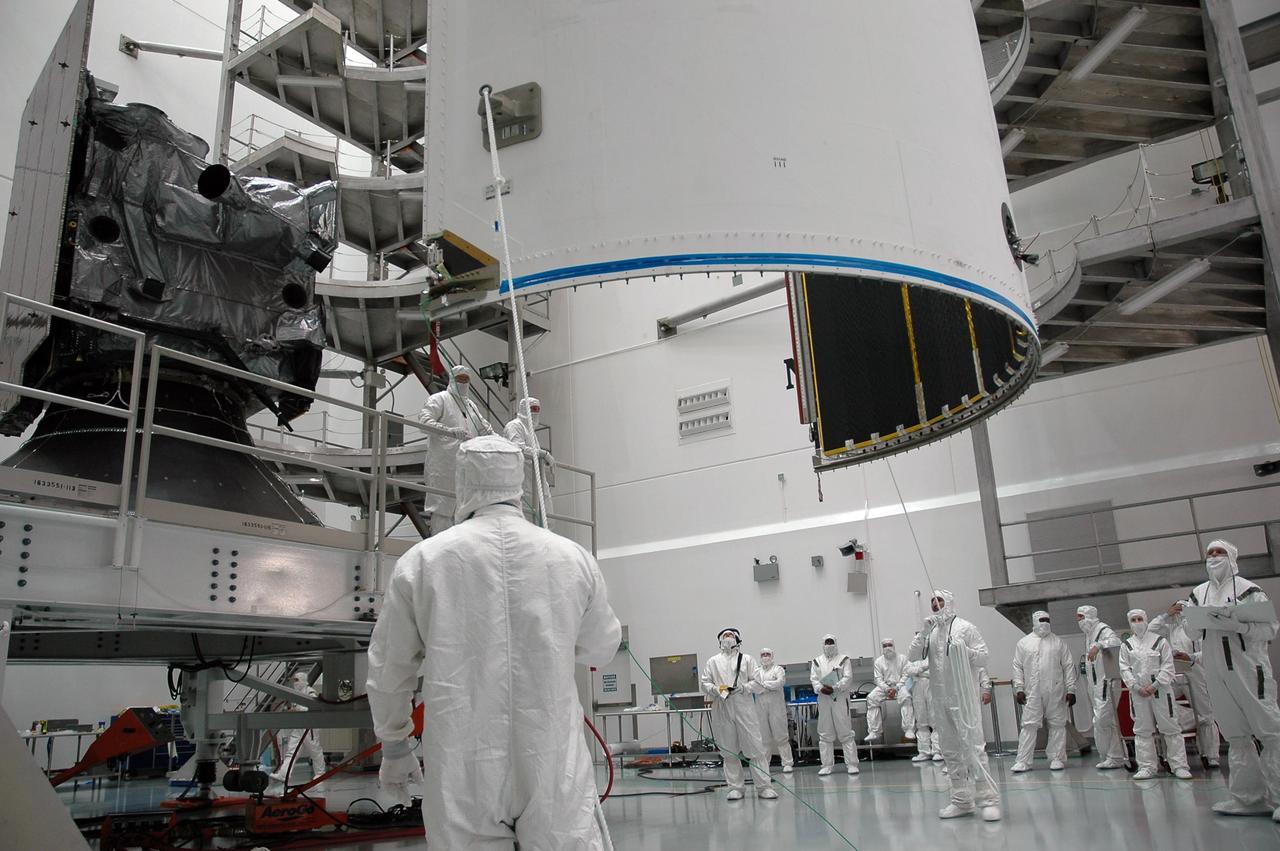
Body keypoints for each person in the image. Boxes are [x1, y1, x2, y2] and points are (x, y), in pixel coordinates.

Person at [366, 435, 622, 850]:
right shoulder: (571, 557)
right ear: (519, 481)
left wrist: (395, 743)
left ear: (462, 481)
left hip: (463, 763)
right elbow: (601, 648)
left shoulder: (424, 561)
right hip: (551, 757)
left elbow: (388, 667)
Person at [1185, 539, 1280, 819]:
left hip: (1249, 669)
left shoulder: (1250, 590)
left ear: (1232, 557)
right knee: (1236, 734)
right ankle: (1247, 798)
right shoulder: (1199, 593)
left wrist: (1240, 625)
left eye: (1220, 552)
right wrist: (1192, 620)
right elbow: (1192, 633)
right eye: (1210, 553)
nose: (1214, 557)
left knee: (1268, 730)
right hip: (1216, 672)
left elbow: (1270, 630)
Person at [909, 590, 1000, 821]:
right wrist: (923, 632)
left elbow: (984, 658)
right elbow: (913, 657)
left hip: (964, 699)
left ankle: (988, 800)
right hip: (940, 700)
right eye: (932, 602)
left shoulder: (966, 628)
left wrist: (963, 650)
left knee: (973, 747)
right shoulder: (931, 633)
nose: (935, 604)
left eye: (939, 600)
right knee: (950, 750)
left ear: (949, 602)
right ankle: (961, 800)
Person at [700, 630, 778, 800]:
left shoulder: (747, 660)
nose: (728, 637)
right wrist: (717, 690)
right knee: (729, 750)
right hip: (722, 708)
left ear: (737, 639)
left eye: (731, 635)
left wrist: (743, 688)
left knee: (755, 748)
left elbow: (758, 684)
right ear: (720, 641)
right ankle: (735, 788)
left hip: (745, 708)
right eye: (725, 635)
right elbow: (704, 683)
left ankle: (764, 787)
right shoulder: (713, 662)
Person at [418, 364, 494, 534]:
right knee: (443, 514)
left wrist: (503, 444)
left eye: (466, 380)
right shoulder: (440, 399)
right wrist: (449, 431)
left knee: (466, 517)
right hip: (444, 469)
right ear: (452, 379)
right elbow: (424, 422)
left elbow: (485, 429)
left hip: (467, 469)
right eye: (460, 379)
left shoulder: (471, 406)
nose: (463, 383)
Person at [1119, 608, 1192, 780]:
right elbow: (1124, 668)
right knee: (1142, 730)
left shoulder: (1160, 641)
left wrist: (1155, 685)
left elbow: (1168, 666)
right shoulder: (1126, 645)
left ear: (1146, 620)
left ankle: (1179, 766)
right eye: (1133, 620)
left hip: (1161, 691)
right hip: (1138, 693)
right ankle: (1146, 767)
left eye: (1140, 619)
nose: (1137, 623)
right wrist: (1136, 687)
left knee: (1171, 727)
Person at [1151, 600, 1220, 768]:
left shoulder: (1198, 629)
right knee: (1161, 704)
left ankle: (1211, 755)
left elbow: (1209, 651)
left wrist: (1191, 657)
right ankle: (1187, 723)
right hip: (1173, 673)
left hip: (1195, 671)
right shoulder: (1168, 628)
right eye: (1177, 608)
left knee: (1206, 714)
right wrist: (1166, 615)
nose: (1180, 611)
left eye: (1183, 608)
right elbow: (1149, 630)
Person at [1011, 610, 1077, 773]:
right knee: (1029, 724)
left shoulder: (1058, 642)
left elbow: (1068, 666)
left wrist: (1071, 689)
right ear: (1034, 621)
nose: (1045, 623)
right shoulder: (1024, 643)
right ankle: (1023, 761)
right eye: (1041, 620)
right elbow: (1017, 666)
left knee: (1057, 724)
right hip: (1032, 691)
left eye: (1047, 620)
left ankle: (1057, 758)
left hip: (1055, 690)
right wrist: (1019, 688)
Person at [1077, 605, 1127, 769]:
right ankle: (1114, 756)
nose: (1079, 621)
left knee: (1102, 720)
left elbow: (1116, 642)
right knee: (1108, 722)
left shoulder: (1102, 630)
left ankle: (1112, 755)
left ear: (1089, 616)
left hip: (1107, 682)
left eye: (1081, 617)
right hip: (1095, 684)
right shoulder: (1089, 634)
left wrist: (1099, 645)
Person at [809, 635, 861, 776]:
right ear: (823, 644)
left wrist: (836, 687)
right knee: (825, 732)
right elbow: (814, 679)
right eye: (827, 642)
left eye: (831, 642)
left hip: (840, 697)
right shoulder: (817, 661)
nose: (829, 645)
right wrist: (820, 688)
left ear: (836, 643)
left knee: (845, 730)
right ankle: (826, 765)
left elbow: (848, 677)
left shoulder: (844, 659)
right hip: (824, 699)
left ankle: (852, 764)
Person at [504, 397, 555, 524]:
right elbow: (517, 448)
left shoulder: (531, 432)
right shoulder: (515, 426)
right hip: (523, 485)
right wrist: (542, 453)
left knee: (548, 522)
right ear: (524, 409)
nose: (535, 412)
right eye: (533, 409)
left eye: (538, 409)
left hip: (537, 485)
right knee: (526, 522)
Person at [270, 672, 328, 786]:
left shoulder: (310, 692)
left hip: (309, 727)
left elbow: (313, 708)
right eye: (294, 680)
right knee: (291, 751)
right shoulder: (296, 694)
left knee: (314, 750)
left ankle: (320, 774)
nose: (294, 683)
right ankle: (284, 774)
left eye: (296, 680)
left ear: (303, 680)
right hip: (298, 727)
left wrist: (297, 710)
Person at [865, 638, 916, 743]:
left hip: (900, 686)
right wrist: (887, 689)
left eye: (889, 645)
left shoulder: (902, 659)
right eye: (885, 646)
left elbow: (906, 675)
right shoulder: (878, 661)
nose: (887, 648)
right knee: (871, 698)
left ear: (893, 646)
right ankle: (874, 731)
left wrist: (896, 688)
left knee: (906, 698)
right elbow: (878, 679)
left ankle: (909, 729)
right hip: (885, 687)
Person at [753, 647, 793, 773]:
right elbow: (754, 686)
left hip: (777, 708)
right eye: (763, 655)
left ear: (772, 656)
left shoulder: (778, 669)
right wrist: (769, 685)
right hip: (760, 708)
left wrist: (764, 685)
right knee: (764, 738)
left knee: (781, 736)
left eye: (768, 654)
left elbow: (780, 682)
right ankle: (765, 764)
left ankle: (787, 763)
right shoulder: (756, 672)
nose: (765, 657)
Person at [904, 639, 942, 763]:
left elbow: (937, 669)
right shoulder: (912, 658)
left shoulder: (936, 654)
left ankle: (938, 751)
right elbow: (909, 671)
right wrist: (925, 667)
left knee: (935, 719)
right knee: (921, 720)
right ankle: (924, 752)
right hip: (917, 687)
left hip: (933, 686)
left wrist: (919, 669)